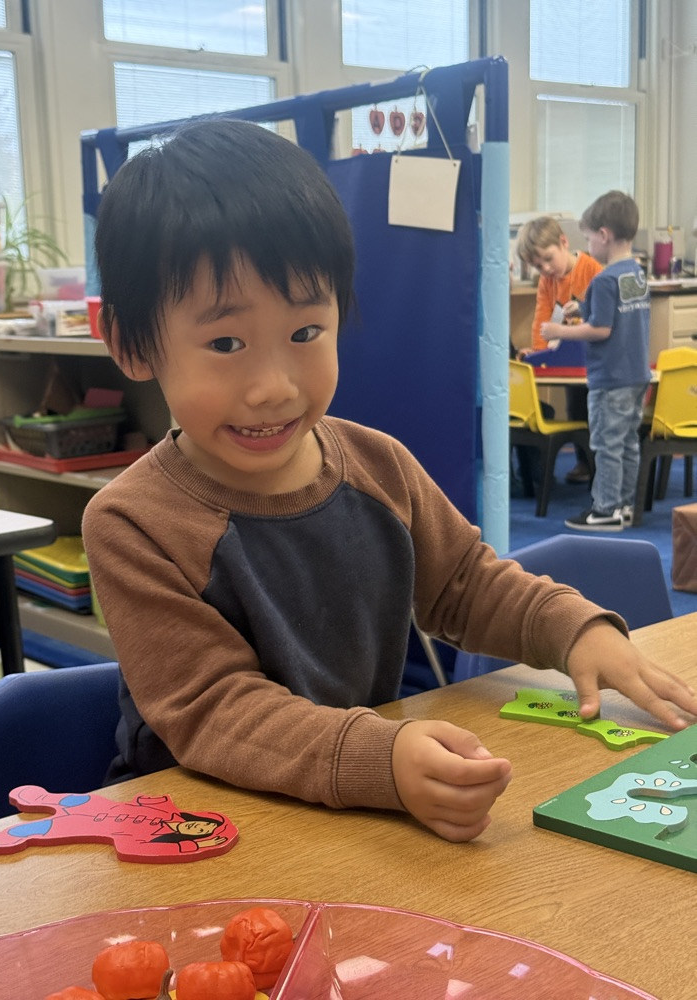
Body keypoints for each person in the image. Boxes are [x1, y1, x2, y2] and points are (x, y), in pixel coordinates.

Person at [82, 124, 696, 845]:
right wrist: (379, 757)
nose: (273, 387)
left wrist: (576, 631)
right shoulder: (132, 523)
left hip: (349, 814)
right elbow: (216, 710)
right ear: (129, 342)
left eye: (306, 332)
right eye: (225, 344)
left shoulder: (378, 465)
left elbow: (467, 584)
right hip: (197, 833)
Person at [541, 191, 651, 533]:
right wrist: (583, 308)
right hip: (635, 374)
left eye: (588, 238)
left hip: (610, 378)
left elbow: (601, 329)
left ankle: (604, 509)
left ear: (604, 235)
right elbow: (619, 315)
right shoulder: (635, 273)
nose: (588, 246)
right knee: (628, 442)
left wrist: (559, 328)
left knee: (605, 444)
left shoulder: (603, 278)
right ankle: (625, 506)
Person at [516, 216, 602, 484]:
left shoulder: (592, 271)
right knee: (575, 408)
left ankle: (598, 468)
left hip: (595, 359)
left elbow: (601, 318)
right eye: (537, 266)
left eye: (548, 259)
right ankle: (584, 462)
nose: (545, 268)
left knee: (593, 412)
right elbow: (543, 316)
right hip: (569, 360)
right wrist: (540, 353)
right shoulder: (547, 281)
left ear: (563, 242)